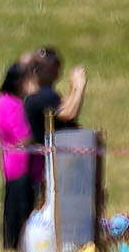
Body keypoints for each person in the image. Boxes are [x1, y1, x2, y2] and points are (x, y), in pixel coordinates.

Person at [21, 45, 84, 204]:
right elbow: (69, 113)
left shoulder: (48, 96)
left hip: (56, 166)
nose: (57, 70)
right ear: (36, 70)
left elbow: (64, 108)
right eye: (51, 66)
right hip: (43, 169)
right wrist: (79, 85)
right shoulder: (36, 98)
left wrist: (73, 89)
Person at [0, 60, 35, 252]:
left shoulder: (2, 100)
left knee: (12, 205)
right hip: (19, 163)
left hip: (10, 162)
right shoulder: (12, 103)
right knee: (20, 207)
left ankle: (12, 243)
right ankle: (16, 244)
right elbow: (24, 137)